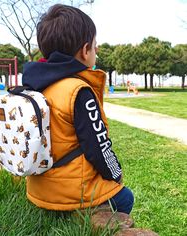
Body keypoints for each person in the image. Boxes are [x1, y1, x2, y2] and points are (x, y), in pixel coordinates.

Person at [22, 4, 134, 214]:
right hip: (70, 194)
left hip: (37, 189)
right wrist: (116, 173)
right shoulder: (79, 91)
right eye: (95, 45)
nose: (96, 50)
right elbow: (98, 146)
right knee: (125, 197)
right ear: (85, 51)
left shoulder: (36, 86)